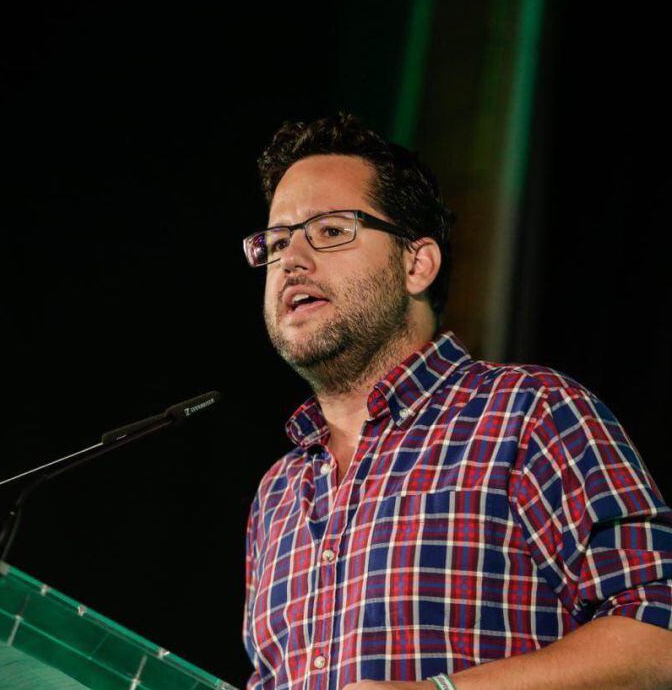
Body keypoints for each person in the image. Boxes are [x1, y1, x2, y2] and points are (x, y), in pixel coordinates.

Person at [241, 113, 672, 690]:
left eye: (329, 230)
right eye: (276, 241)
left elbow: (658, 635)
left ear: (416, 264)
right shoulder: (278, 493)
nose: (291, 259)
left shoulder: (530, 412)